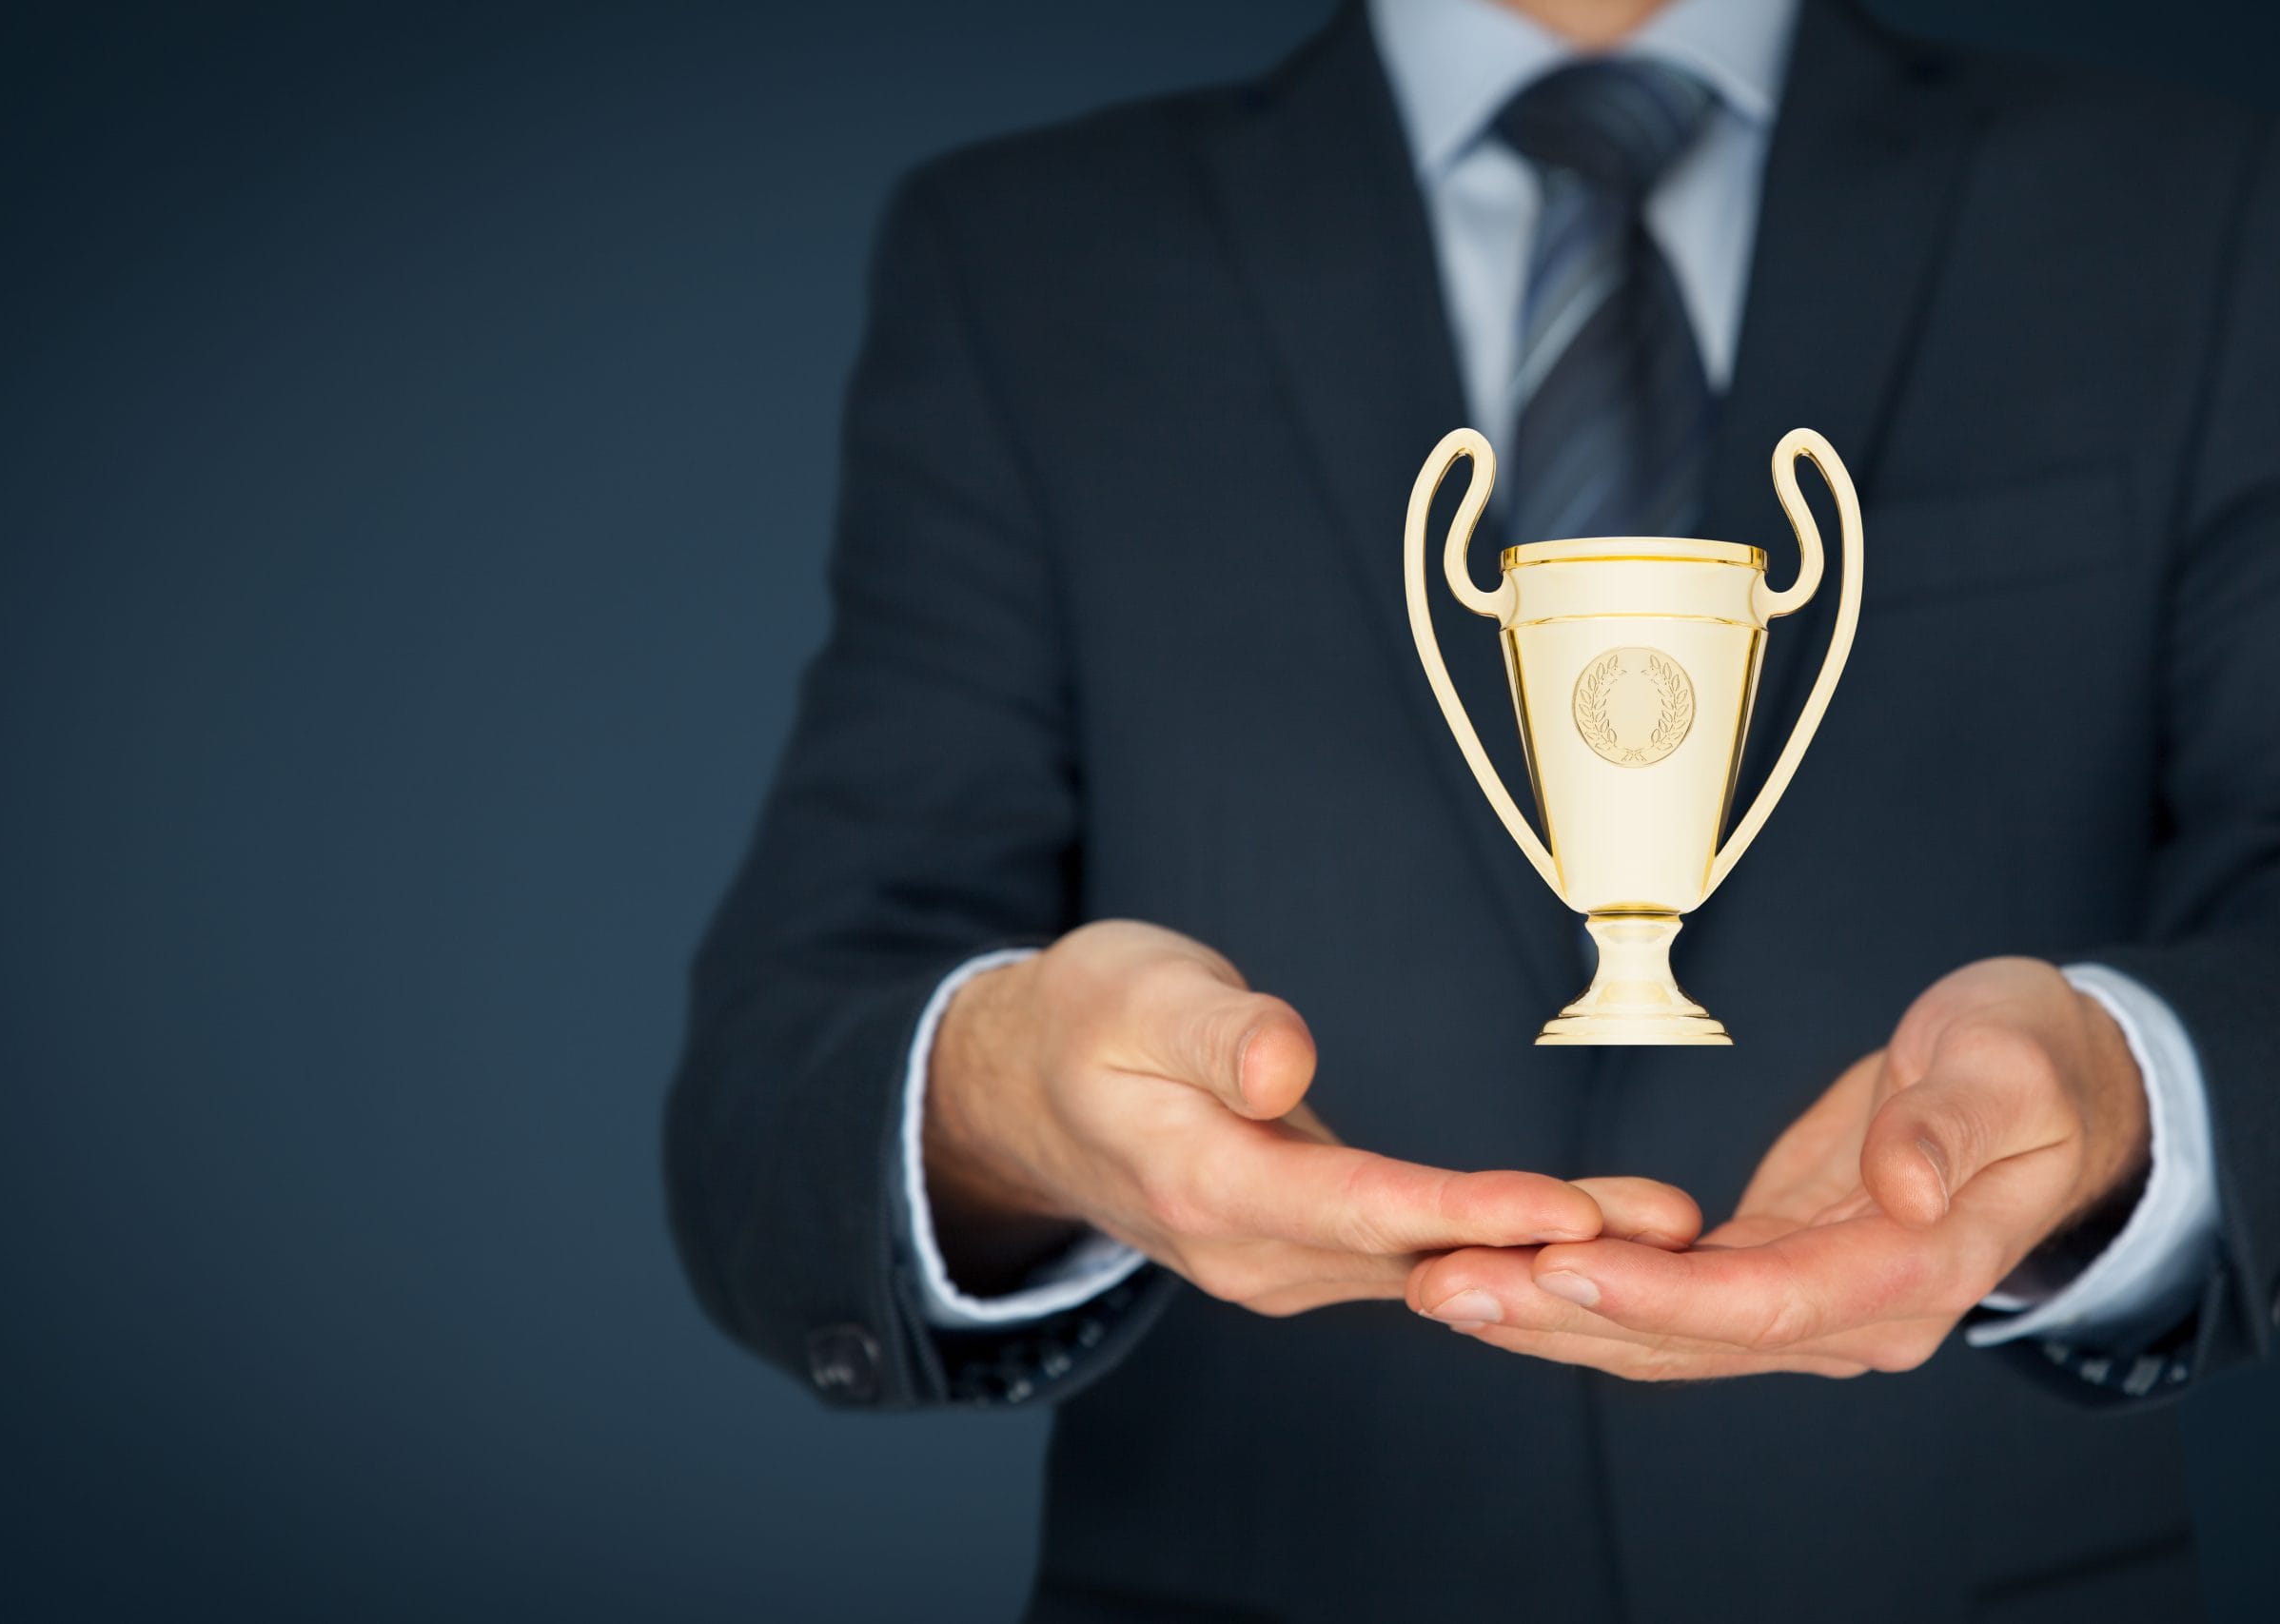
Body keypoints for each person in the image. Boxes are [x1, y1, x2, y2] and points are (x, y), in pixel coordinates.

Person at [665, 0, 2280, 1615]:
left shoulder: (2188, 208)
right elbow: (772, 1096)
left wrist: (2124, 1102)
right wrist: (1012, 1095)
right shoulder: (1029, 253)